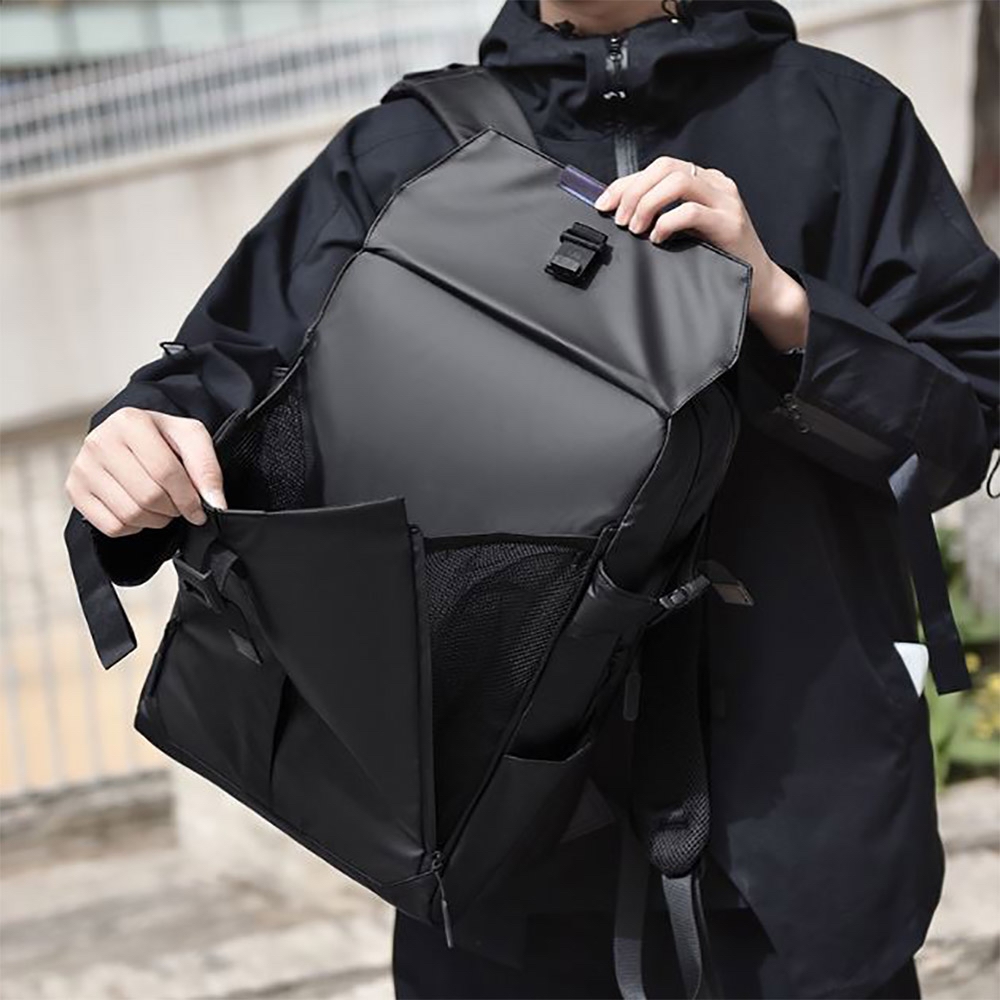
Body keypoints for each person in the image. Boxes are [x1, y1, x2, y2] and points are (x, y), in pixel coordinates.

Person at [64, 1, 999, 997]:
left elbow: (962, 422)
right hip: (491, 869)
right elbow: (225, 381)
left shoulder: (842, 120)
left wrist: (782, 305)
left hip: (802, 856)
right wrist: (139, 436)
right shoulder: (408, 149)